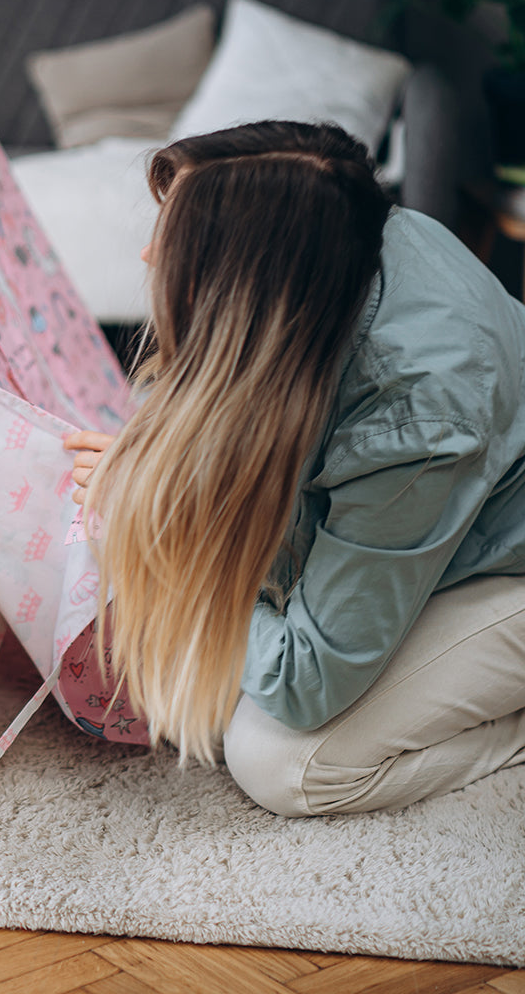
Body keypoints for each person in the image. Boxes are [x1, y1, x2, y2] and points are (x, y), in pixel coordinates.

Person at [66, 120, 525, 816]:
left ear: (247, 286)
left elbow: (307, 680)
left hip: (506, 561)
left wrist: (160, 536)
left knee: (281, 760)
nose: (150, 252)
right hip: (458, 513)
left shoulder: (417, 411)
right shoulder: (342, 230)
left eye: (179, 241)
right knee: (196, 680)